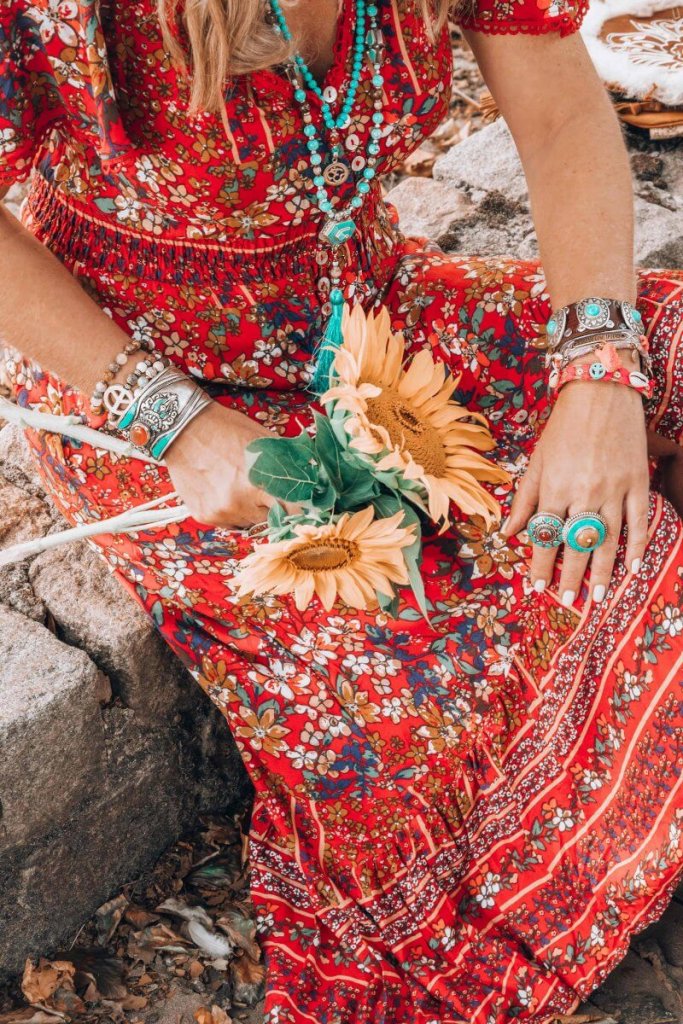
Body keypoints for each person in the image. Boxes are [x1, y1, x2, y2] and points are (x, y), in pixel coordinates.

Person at [1, 0, 682, 1020]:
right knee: (468, 647)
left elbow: (551, 110)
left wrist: (595, 371)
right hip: (146, 385)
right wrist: (174, 422)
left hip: (367, 316)